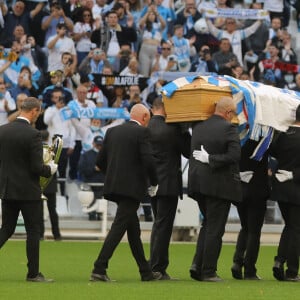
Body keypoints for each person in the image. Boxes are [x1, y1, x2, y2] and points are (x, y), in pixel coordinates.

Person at [90, 103, 161, 282]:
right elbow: (148, 161)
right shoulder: (142, 133)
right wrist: (154, 183)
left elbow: (100, 160)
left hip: (114, 186)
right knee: (119, 227)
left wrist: (114, 175)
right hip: (132, 189)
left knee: (133, 230)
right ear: (144, 117)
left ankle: (145, 271)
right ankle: (99, 267)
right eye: (148, 119)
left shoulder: (112, 131)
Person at [0, 97, 58, 282]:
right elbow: (36, 167)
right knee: (33, 230)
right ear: (34, 111)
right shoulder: (33, 134)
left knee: (6, 229)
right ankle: (33, 273)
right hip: (28, 191)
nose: (38, 115)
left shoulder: (3, 130)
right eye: (38, 112)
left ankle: (33, 273)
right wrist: (50, 169)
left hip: (7, 189)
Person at [188, 96, 242, 282]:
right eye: (232, 113)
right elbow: (235, 155)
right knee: (215, 229)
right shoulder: (229, 128)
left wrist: (208, 159)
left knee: (207, 226)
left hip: (198, 184)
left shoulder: (199, 126)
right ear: (228, 113)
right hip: (219, 185)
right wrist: (212, 159)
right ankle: (208, 271)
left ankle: (197, 265)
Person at [148, 98, 191, 279]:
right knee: (163, 226)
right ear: (166, 109)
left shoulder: (146, 127)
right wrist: (184, 130)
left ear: (152, 109)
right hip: (168, 183)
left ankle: (155, 265)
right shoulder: (172, 128)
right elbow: (188, 151)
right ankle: (157, 267)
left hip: (151, 182)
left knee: (158, 224)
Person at [231, 140, 270, 280]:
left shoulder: (239, 139)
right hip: (257, 191)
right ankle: (249, 269)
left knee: (245, 228)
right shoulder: (264, 141)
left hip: (240, 189)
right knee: (254, 231)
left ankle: (237, 261)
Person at [269, 105, 300, 282]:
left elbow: (272, 151)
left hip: (280, 185)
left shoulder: (283, 134)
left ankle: (280, 261)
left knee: (289, 226)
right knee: (296, 230)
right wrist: (294, 174)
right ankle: (292, 270)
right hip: (296, 187)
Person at [39, 130, 62, 241]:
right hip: (51, 183)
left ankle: (40, 234)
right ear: (48, 137)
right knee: (52, 210)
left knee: (39, 211)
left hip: (39, 183)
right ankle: (57, 235)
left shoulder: (37, 150)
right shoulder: (52, 151)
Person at [78, 135, 105, 221]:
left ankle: (99, 216)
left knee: (101, 208)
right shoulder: (86, 155)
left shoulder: (107, 156)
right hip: (90, 185)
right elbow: (81, 168)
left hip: (102, 185)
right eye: (97, 145)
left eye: (101, 145)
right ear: (93, 144)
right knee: (91, 208)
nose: (99, 147)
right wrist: (94, 169)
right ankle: (92, 215)